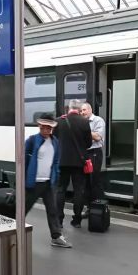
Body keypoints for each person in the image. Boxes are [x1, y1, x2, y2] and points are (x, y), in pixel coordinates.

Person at [25, 113, 72, 248]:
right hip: (33, 183)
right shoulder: (32, 140)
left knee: (53, 210)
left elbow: (56, 161)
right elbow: (22, 159)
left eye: (48, 128)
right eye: (43, 128)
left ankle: (56, 237)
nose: (45, 130)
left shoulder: (55, 142)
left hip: (48, 183)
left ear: (52, 128)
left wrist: (55, 176)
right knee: (23, 209)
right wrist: (24, 178)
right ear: (39, 126)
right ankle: (9, 231)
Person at [53, 99, 92, 228]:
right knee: (78, 191)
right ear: (79, 109)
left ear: (68, 108)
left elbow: (54, 141)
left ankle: (59, 220)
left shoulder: (58, 121)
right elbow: (89, 144)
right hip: (79, 162)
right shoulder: (85, 122)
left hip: (62, 161)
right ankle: (77, 220)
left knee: (60, 190)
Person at [81, 102, 106, 203]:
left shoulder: (98, 120)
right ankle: (89, 206)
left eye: (84, 110)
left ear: (90, 110)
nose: (82, 112)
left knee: (94, 179)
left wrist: (84, 129)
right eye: (81, 111)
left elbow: (97, 137)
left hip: (94, 153)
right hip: (84, 153)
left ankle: (99, 205)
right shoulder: (82, 122)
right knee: (86, 181)